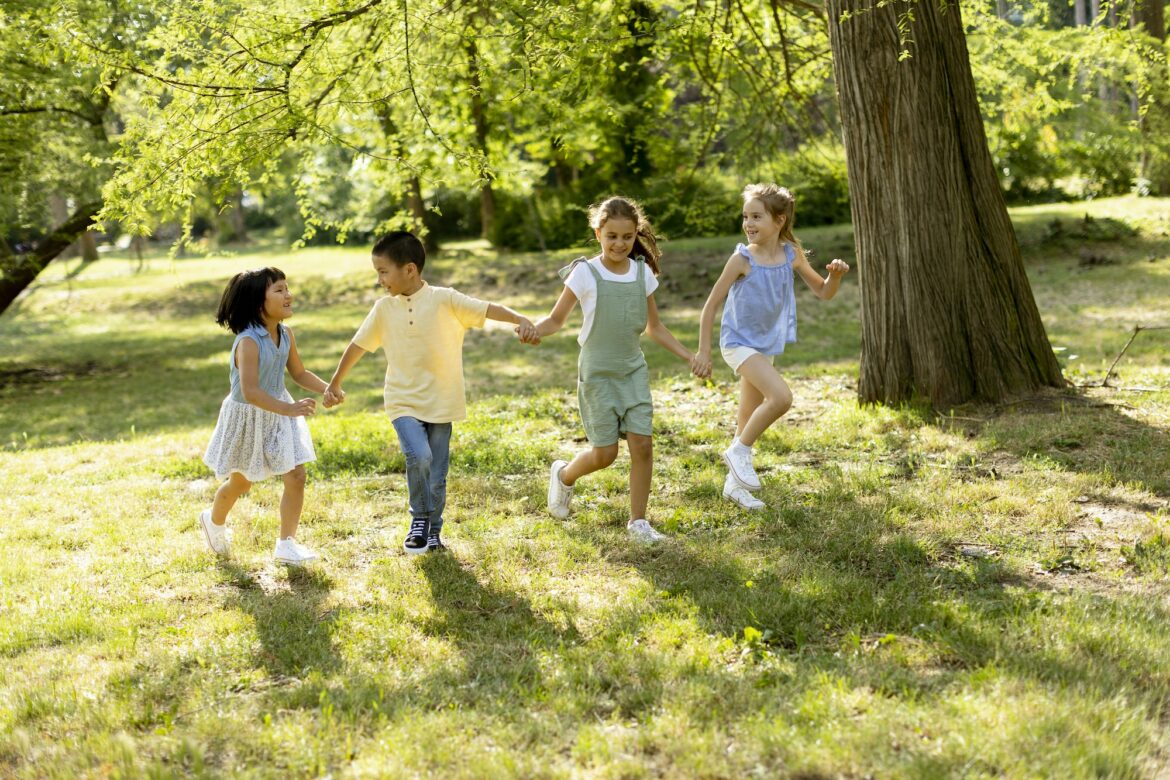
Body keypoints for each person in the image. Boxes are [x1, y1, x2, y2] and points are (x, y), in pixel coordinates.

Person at [324, 231, 538, 555]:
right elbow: (357, 345)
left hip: (442, 399)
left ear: (409, 269)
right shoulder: (384, 309)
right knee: (419, 456)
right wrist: (335, 382)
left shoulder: (445, 299)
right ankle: (419, 520)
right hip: (402, 399)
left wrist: (518, 318)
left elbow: (486, 308)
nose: (380, 280)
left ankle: (434, 532)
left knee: (437, 474)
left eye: (383, 272)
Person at [527, 196, 709, 543]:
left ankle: (638, 523)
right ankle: (565, 475)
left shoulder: (642, 273)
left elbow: (655, 328)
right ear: (598, 233)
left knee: (642, 445)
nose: (619, 244)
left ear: (635, 234)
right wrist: (534, 330)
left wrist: (690, 357)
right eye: (611, 236)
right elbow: (555, 319)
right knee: (605, 454)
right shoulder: (585, 272)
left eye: (627, 237)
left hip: (632, 371)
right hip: (597, 374)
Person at [694, 184, 850, 510]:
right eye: (745, 217)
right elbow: (710, 306)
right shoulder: (741, 258)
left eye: (756, 217)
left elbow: (824, 292)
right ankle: (739, 451)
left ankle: (734, 487)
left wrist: (835, 275)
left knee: (747, 416)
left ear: (779, 221)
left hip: (766, 346)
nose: (748, 223)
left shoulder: (790, 255)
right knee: (781, 398)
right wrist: (704, 352)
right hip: (738, 343)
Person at [200, 267, 333, 565]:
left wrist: (328, 388)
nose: (289, 295)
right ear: (258, 303)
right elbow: (250, 391)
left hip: (279, 411)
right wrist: (290, 409)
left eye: (287, 288)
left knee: (296, 475)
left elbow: (298, 372)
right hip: (249, 416)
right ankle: (213, 520)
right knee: (241, 483)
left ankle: (286, 545)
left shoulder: (286, 334)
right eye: (279, 290)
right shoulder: (248, 342)